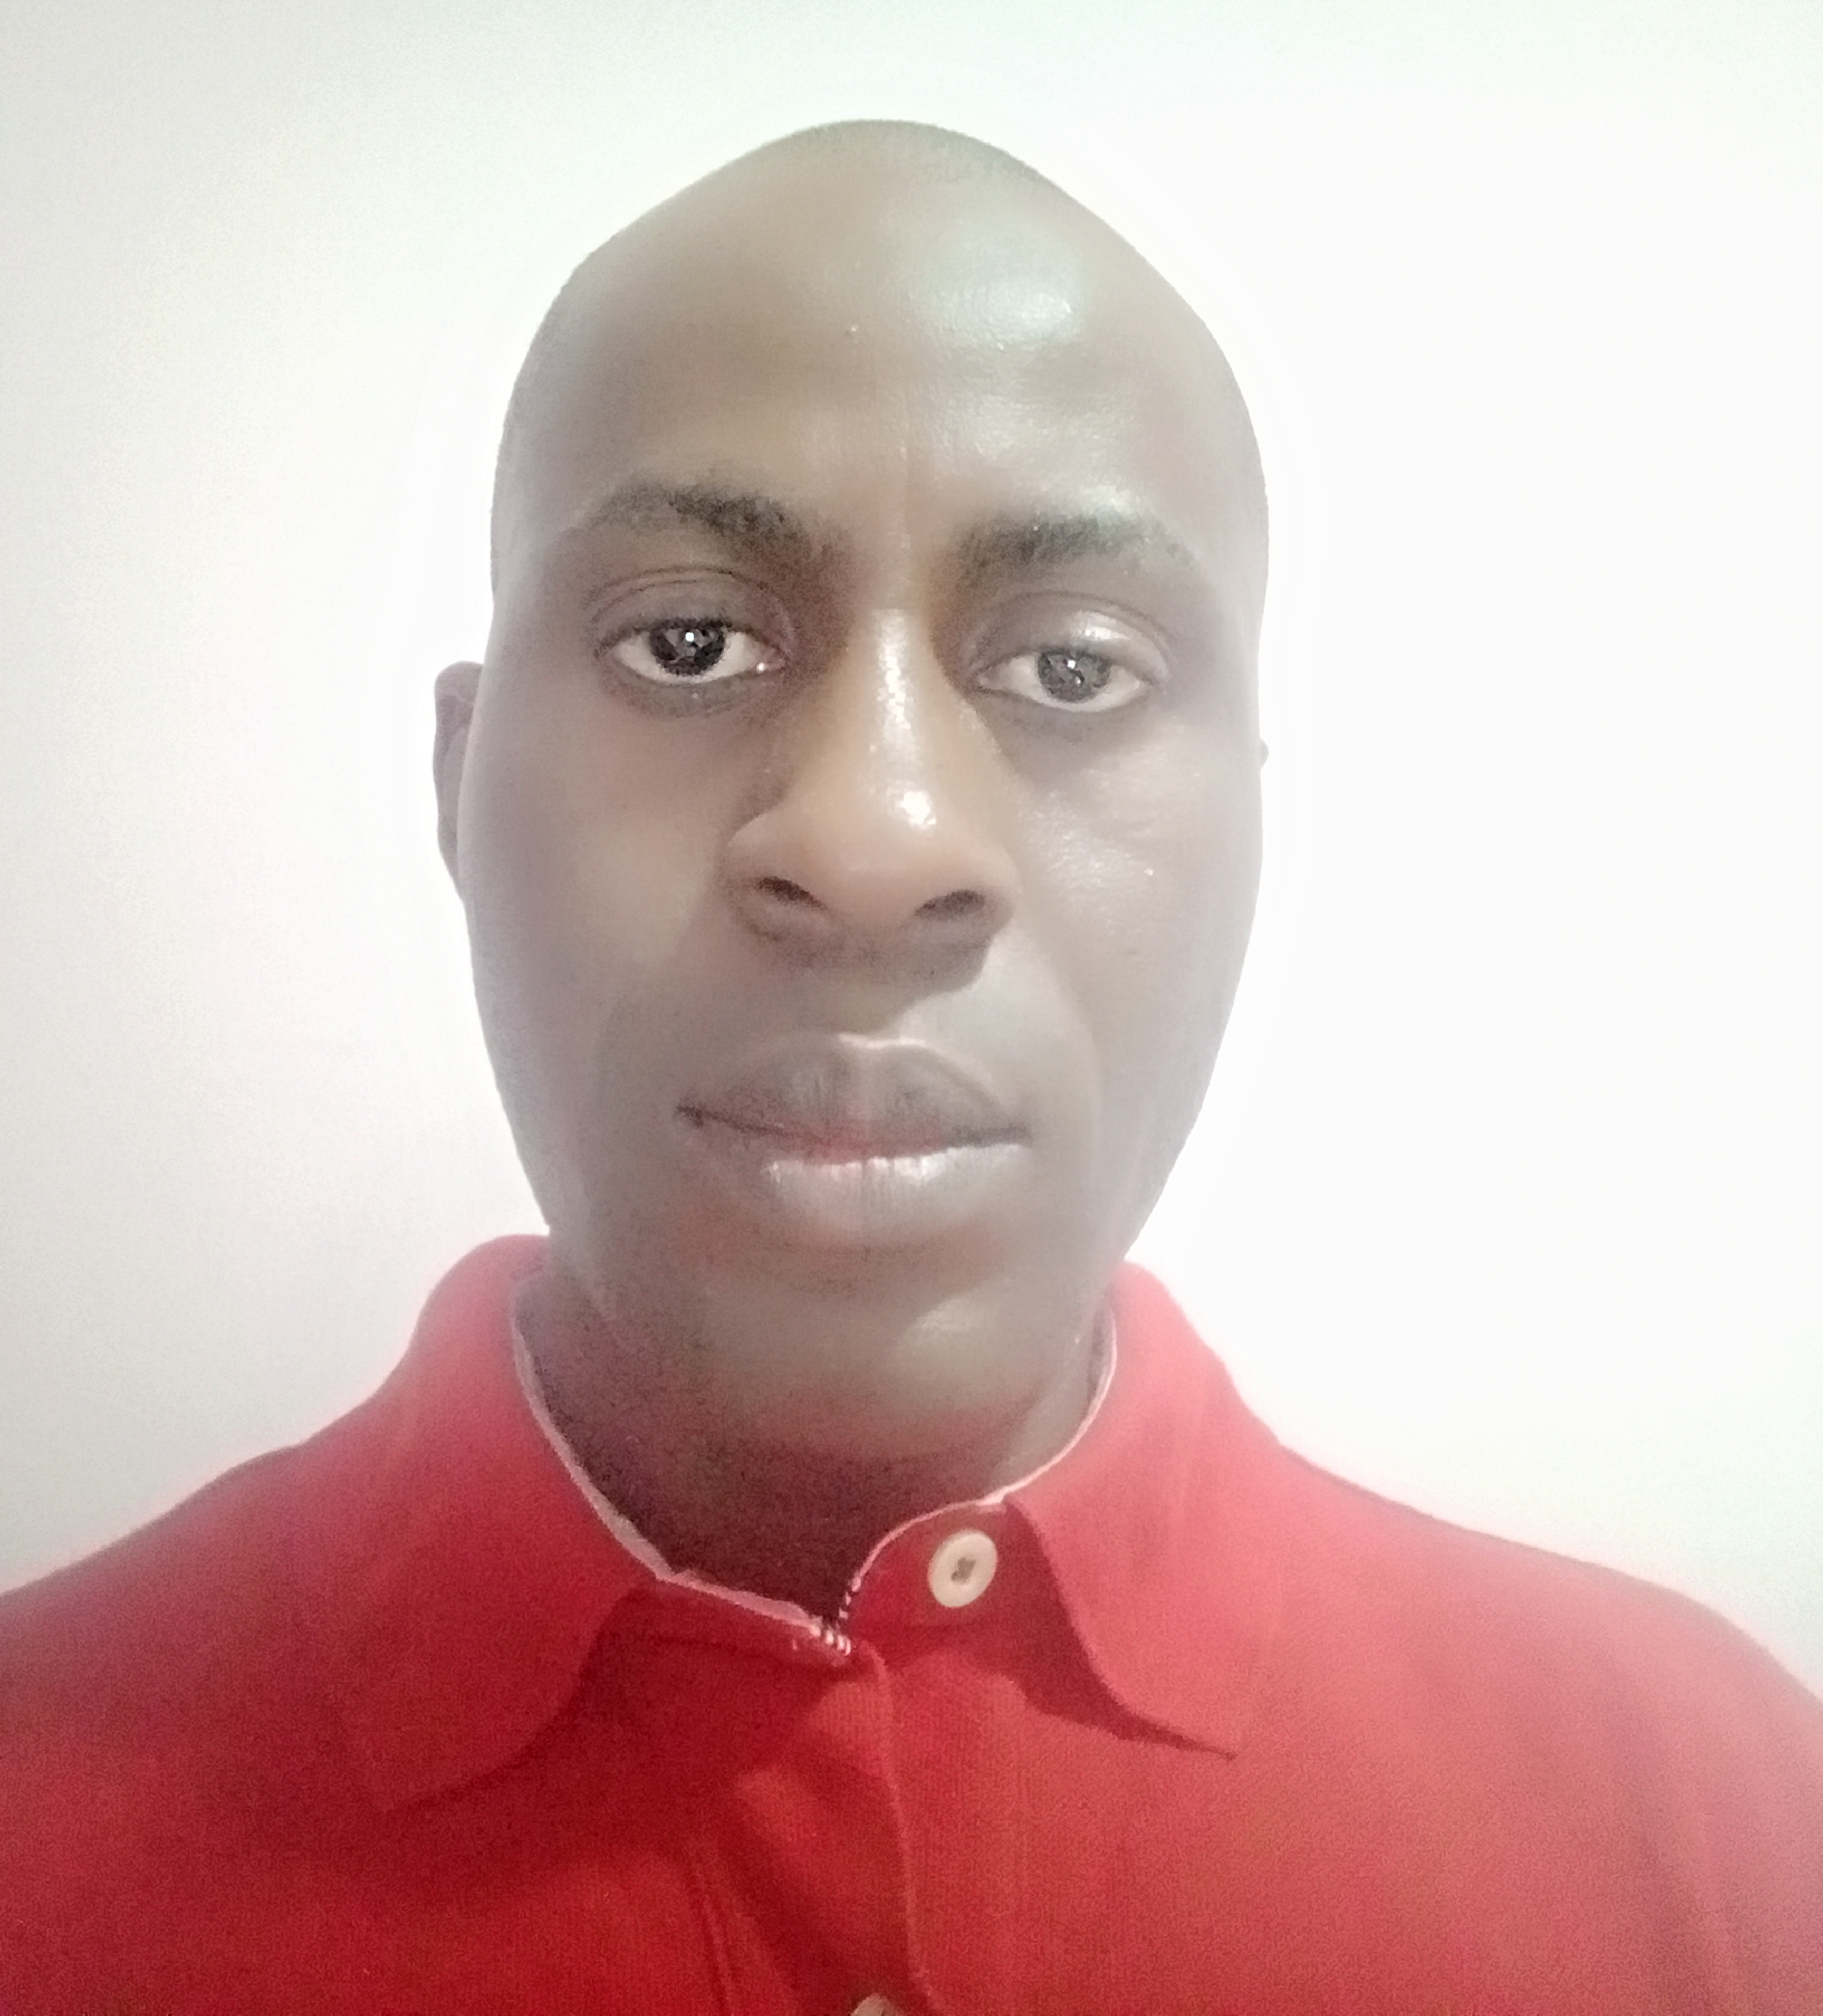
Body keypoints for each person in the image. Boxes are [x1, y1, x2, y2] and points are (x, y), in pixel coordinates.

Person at [2, 122, 1818, 2014]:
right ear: (462, 787)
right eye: (689, 643)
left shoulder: (1722, 1832)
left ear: (1256, 824)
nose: (874, 841)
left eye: (1074, 671)